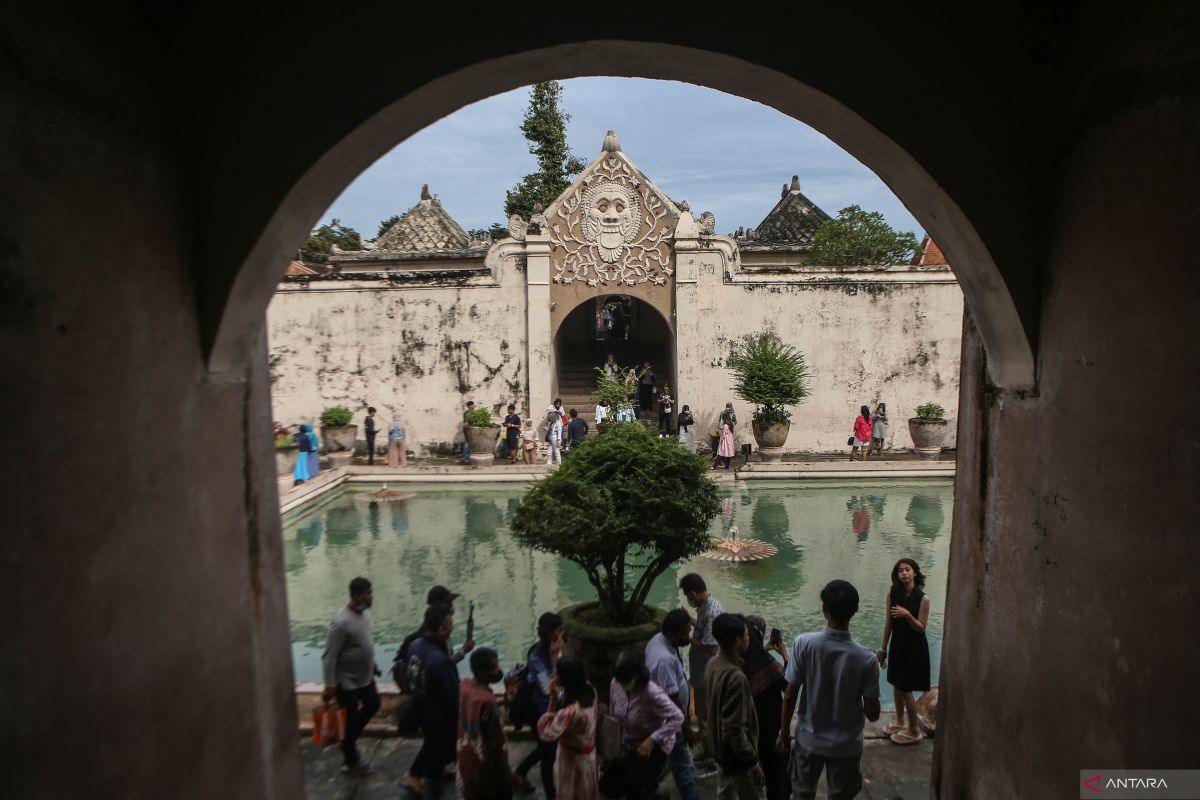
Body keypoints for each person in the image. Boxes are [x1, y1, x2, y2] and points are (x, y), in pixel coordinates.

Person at [777, 580, 881, 800]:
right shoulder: (866, 659)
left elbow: (789, 696)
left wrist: (784, 734)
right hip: (847, 745)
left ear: (824, 609)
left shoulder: (804, 643)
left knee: (801, 793)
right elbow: (873, 714)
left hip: (808, 739)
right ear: (855, 611)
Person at [320, 576, 381, 776]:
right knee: (351, 719)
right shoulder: (341, 622)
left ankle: (348, 740)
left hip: (363, 676)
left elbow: (363, 643)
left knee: (373, 704)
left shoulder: (364, 616)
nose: (371, 596)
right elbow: (329, 656)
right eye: (368, 593)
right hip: (346, 682)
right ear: (357, 597)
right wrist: (330, 686)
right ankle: (351, 761)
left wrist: (372, 663)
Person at [608, 652, 684, 800]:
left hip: (655, 743)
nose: (622, 686)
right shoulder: (615, 685)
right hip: (630, 742)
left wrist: (652, 739)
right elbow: (614, 710)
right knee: (625, 784)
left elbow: (678, 717)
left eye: (625, 682)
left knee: (640, 786)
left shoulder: (651, 692)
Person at [705, 613, 765, 800]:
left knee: (726, 793)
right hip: (738, 759)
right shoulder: (736, 678)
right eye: (747, 634)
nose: (749, 638)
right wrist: (753, 765)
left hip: (719, 750)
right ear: (738, 641)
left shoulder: (713, 663)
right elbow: (733, 729)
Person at [644, 609, 702, 800]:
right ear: (671, 634)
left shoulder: (658, 640)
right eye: (685, 634)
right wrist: (686, 729)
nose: (688, 637)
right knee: (686, 771)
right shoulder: (664, 660)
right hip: (671, 724)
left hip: (661, 719)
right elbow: (672, 699)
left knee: (664, 761)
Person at [406, 605, 461, 800]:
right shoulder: (440, 661)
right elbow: (454, 698)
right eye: (450, 625)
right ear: (441, 629)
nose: (452, 628)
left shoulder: (415, 645)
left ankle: (428, 775)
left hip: (423, 709)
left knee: (433, 748)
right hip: (440, 719)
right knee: (436, 754)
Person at [877, 558, 931, 746]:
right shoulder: (893, 593)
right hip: (898, 645)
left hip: (914, 648)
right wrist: (883, 648)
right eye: (900, 570)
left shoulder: (923, 598)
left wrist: (907, 614)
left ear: (915, 573)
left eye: (907, 570)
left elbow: (921, 628)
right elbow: (888, 623)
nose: (904, 573)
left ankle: (914, 729)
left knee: (905, 688)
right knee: (895, 683)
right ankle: (900, 721)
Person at [513, 613, 564, 798]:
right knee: (548, 755)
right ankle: (550, 795)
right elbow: (549, 689)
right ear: (551, 634)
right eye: (559, 630)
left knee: (547, 748)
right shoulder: (537, 657)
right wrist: (555, 658)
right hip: (539, 711)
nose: (562, 633)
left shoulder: (554, 649)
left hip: (551, 707)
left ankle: (520, 771)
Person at [536, 655, 599, 800]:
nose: (553, 676)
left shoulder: (569, 713)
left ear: (565, 679)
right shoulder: (590, 690)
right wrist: (558, 692)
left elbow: (547, 731)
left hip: (571, 762)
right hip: (588, 757)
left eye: (556, 673)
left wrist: (552, 696)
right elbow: (569, 695)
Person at [457, 648, 514, 800]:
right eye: (495, 667)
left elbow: (476, 709)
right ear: (483, 672)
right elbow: (496, 745)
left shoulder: (464, 686)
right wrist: (506, 774)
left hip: (465, 760)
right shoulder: (486, 701)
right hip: (486, 771)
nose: (499, 670)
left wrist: (504, 701)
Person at [680, 573, 724, 764]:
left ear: (693, 594)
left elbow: (709, 646)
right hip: (700, 671)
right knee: (703, 712)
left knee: (704, 715)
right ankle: (710, 746)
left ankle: (710, 754)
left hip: (706, 673)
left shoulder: (712, 611)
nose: (689, 601)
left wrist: (686, 638)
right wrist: (690, 619)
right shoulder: (705, 606)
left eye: (688, 597)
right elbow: (704, 629)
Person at [743, 616, 788, 800]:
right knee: (778, 772)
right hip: (773, 728)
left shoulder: (738, 663)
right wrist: (785, 655)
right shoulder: (768, 665)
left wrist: (764, 649)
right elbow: (789, 687)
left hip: (751, 732)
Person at [715, 404, 737, 470]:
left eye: (729, 406)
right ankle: (725, 466)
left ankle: (724, 466)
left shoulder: (733, 414)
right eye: (727, 406)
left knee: (723, 451)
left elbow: (735, 422)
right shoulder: (723, 413)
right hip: (726, 436)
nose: (728, 408)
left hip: (727, 436)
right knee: (727, 451)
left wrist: (731, 424)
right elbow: (720, 422)